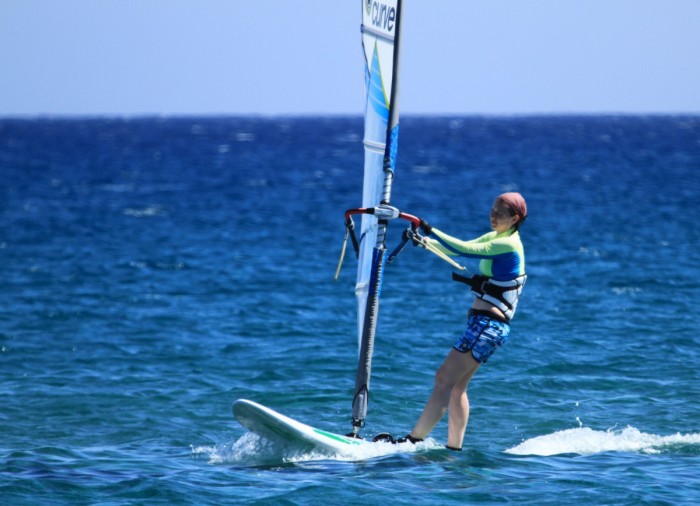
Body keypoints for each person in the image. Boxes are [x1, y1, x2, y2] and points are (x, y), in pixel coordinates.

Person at [399, 192, 527, 451]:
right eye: (492, 210)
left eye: (499, 213)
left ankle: (411, 442)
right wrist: (424, 241)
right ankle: (453, 450)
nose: (493, 216)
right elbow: (457, 246)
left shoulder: (509, 244)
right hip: (484, 326)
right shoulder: (496, 237)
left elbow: (464, 250)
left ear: (514, 218)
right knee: (456, 387)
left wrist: (430, 228)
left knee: (443, 378)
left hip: (487, 327)